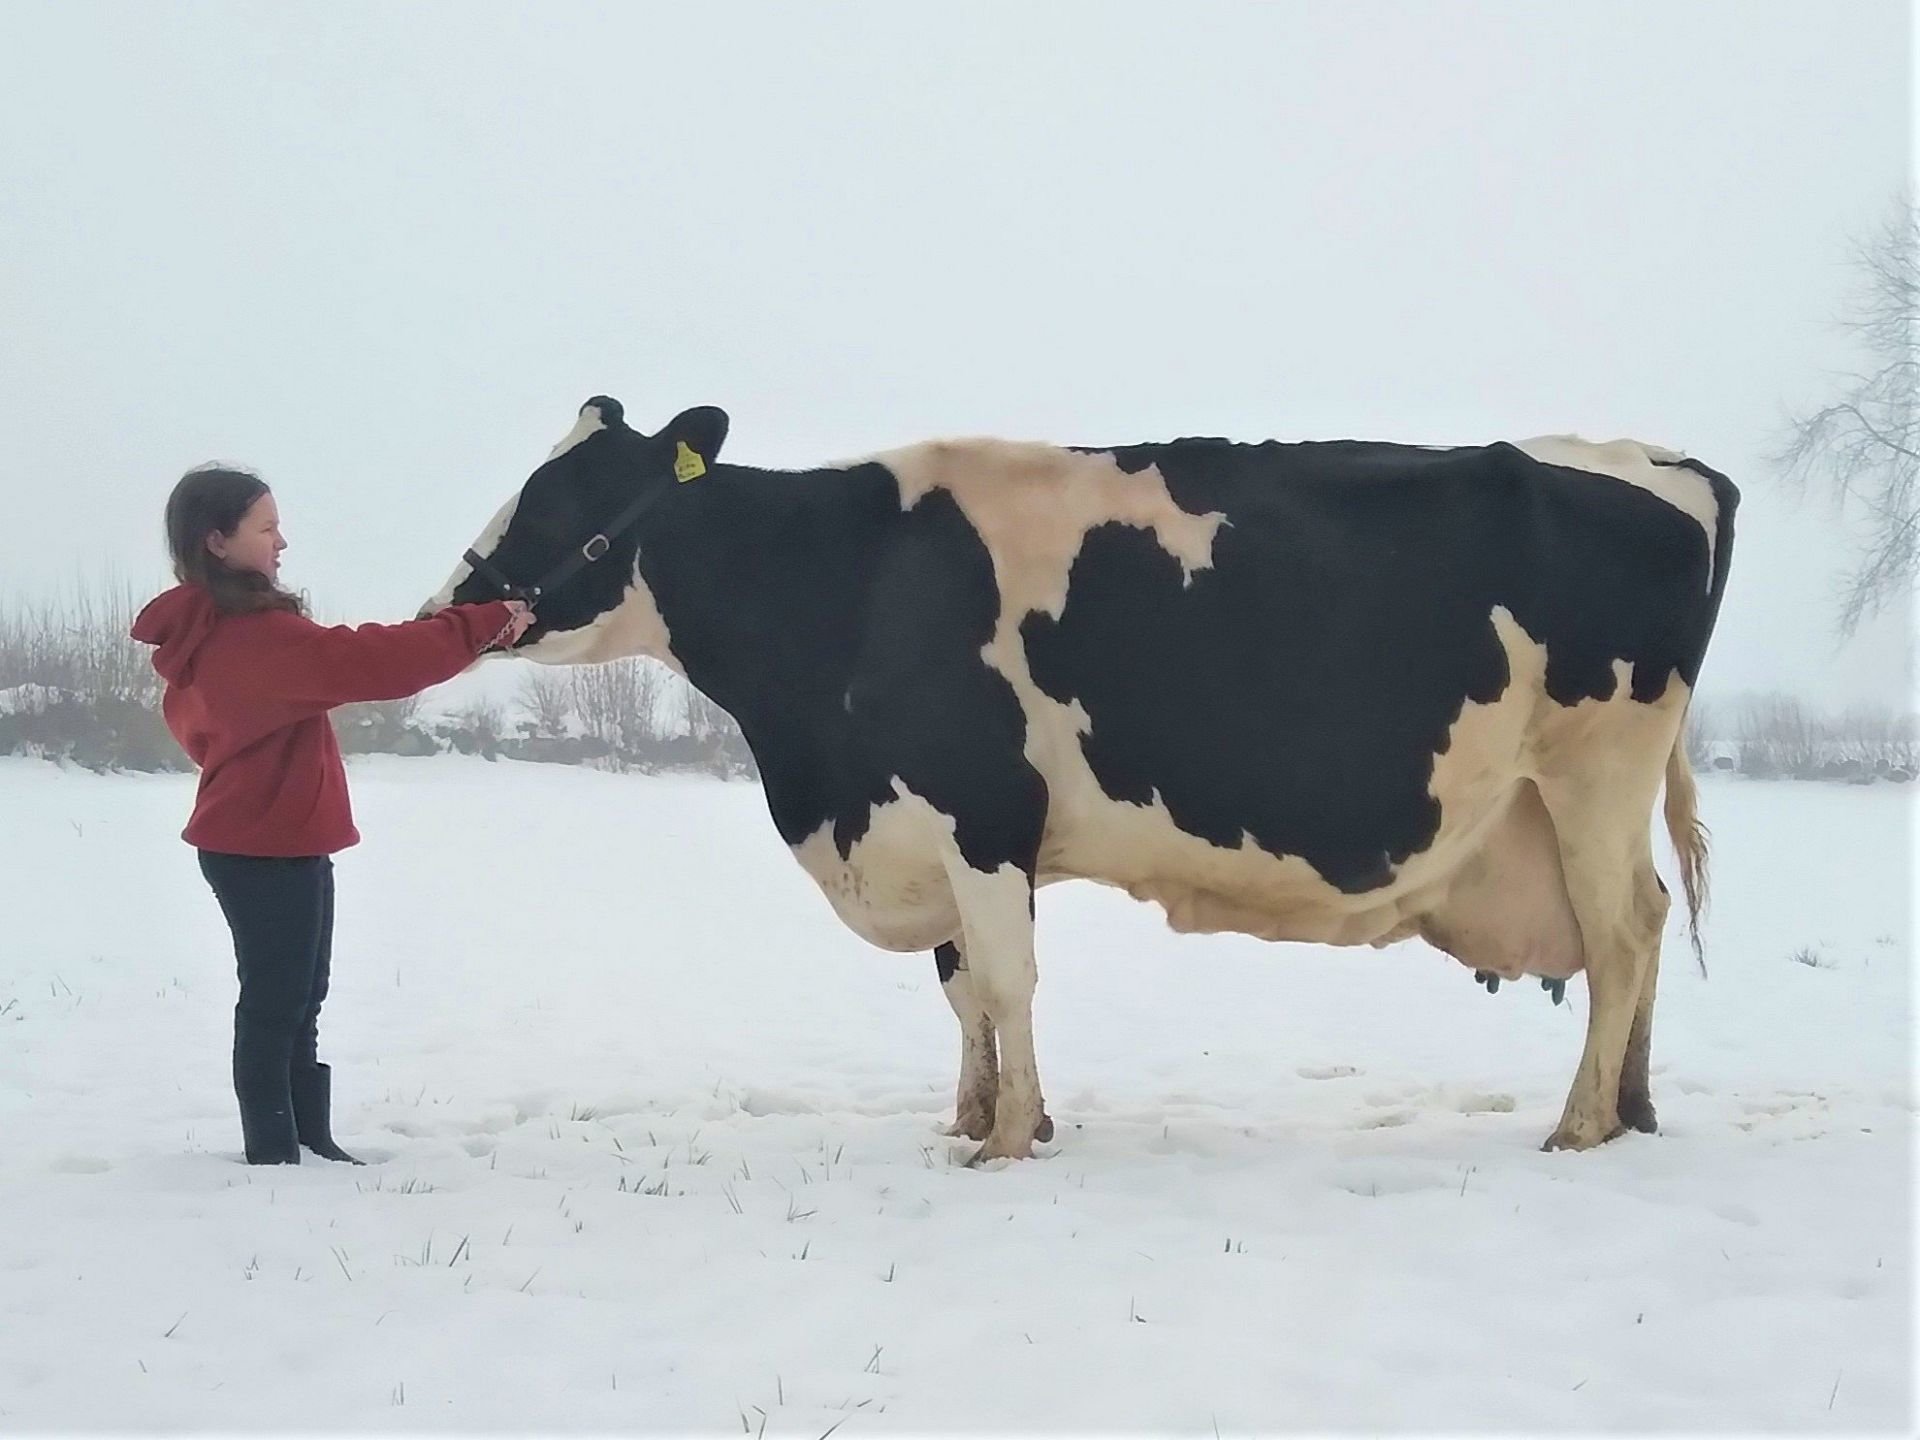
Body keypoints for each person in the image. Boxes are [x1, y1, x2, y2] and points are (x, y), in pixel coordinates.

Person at [130, 464, 533, 1165]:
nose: (282, 542)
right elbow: (370, 660)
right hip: (259, 846)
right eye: (267, 527)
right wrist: (480, 622)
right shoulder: (247, 639)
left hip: (282, 838)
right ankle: (274, 1151)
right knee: (275, 1002)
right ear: (218, 541)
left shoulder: (221, 633)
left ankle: (307, 1140)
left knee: (300, 997)